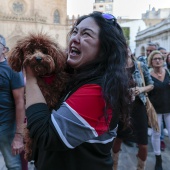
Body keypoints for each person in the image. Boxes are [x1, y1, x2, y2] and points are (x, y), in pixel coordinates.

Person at [24, 12, 131, 170]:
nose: (74, 38)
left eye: (86, 34)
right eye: (75, 31)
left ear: (105, 48)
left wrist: (31, 79)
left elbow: (46, 136)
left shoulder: (99, 91)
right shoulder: (76, 77)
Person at [112, 47, 154, 170]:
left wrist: (141, 89)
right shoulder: (115, 67)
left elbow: (151, 85)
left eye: (127, 48)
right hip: (121, 109)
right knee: (117, 139)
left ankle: (141, 168)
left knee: (143, 144)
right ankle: (114, 166)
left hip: (139, 108)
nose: (125, 50)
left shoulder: (140, 65)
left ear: (130, 50)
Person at [0, 35, 25, 169]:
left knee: (13, 166)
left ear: (4, 49)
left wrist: (18, 136)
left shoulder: (12, 69)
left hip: (6, 128)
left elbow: (20, 102)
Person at [148, 50, 170, 170]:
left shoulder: (168, 72)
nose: (158, 60)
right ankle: (158, 159)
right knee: (156, 134)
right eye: (155, 58)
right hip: (155, 110)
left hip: (168, 108)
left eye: (160, 58)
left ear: (163, 60)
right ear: (151, 61)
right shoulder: (148, 75)